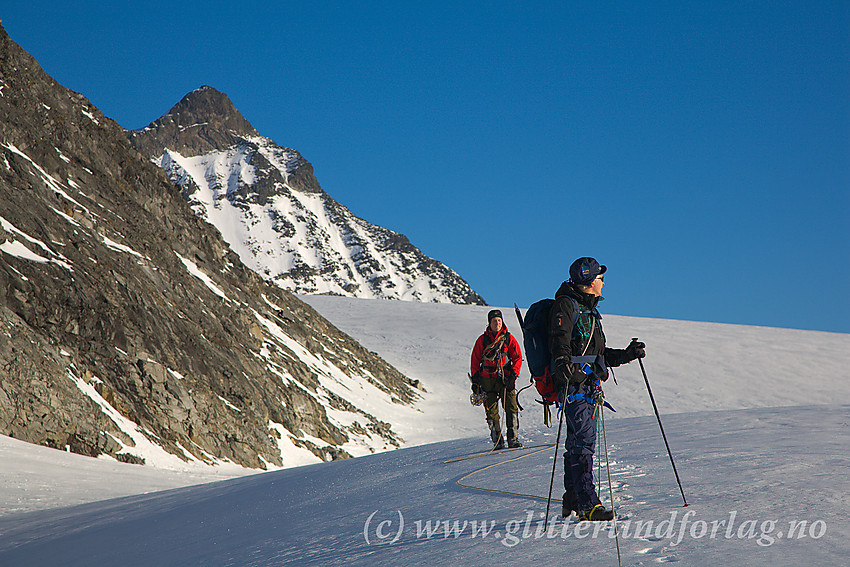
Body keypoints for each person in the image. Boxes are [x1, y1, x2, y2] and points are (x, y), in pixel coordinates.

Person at [549, 257, 646, 521]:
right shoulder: (567, 306)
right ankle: (587, 504)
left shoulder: (588, 310)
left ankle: (572, 498)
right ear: (589, 281)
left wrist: (627, 354)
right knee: (583, 444)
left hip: (587, 386)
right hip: (575, 386)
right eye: (600, 277)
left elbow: (599, 354)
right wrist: (562, 363)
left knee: (577, 443)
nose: (603, 282)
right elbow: (560, 342)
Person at [470, 309, 524, 449]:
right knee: (491, 411)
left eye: (499, 320)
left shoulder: (508, 339)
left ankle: (513, 439)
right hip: (487, 380)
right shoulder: (482, 340)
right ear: (489, 323)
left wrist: (513, 375)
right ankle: (497, 441)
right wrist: (476, 381)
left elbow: (517, 357)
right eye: (494, 321)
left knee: (511, 407)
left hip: (505, 379)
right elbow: (475, 360)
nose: (497, 323)